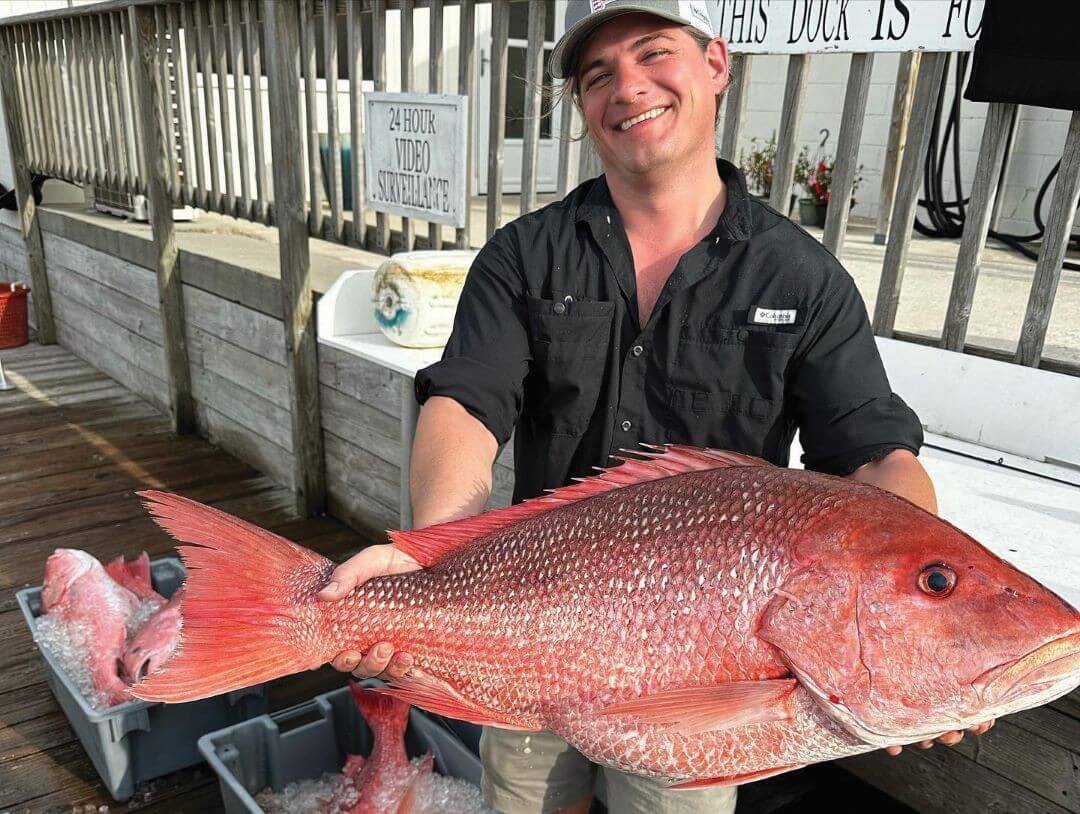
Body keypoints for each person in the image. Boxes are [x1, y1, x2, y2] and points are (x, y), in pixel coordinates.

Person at [317, 2, 993, 811]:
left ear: (715, 65)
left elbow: (874, 452)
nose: (627, 87)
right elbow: (467, 401)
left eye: (653, 53)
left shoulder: (802, 278)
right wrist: (425, 554)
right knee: (526, 799)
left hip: (703, 668)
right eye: (598, 74)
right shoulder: (523, 254)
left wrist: (914, 625)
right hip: (528, 618)